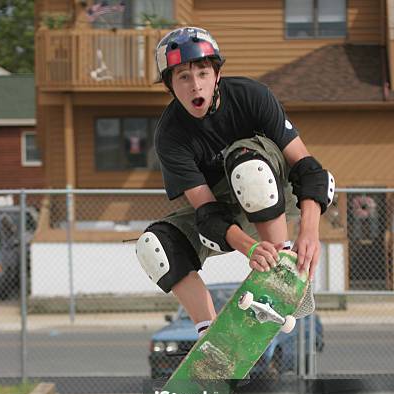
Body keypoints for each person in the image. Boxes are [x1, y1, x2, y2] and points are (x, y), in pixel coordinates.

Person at [136, 27, 335, 337]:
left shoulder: (251, 96)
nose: (195, 86)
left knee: (247, 166)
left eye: (202, 73)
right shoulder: (170, 135)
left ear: (217, 75)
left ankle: (281, 270)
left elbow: (307, 168)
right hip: (225, 213)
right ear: (170, 86)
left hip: (276, 191)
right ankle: (209, 335)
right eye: (183, 78)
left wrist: (310, 232)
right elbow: (207, 213)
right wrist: (249, 248)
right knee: (155, 246)